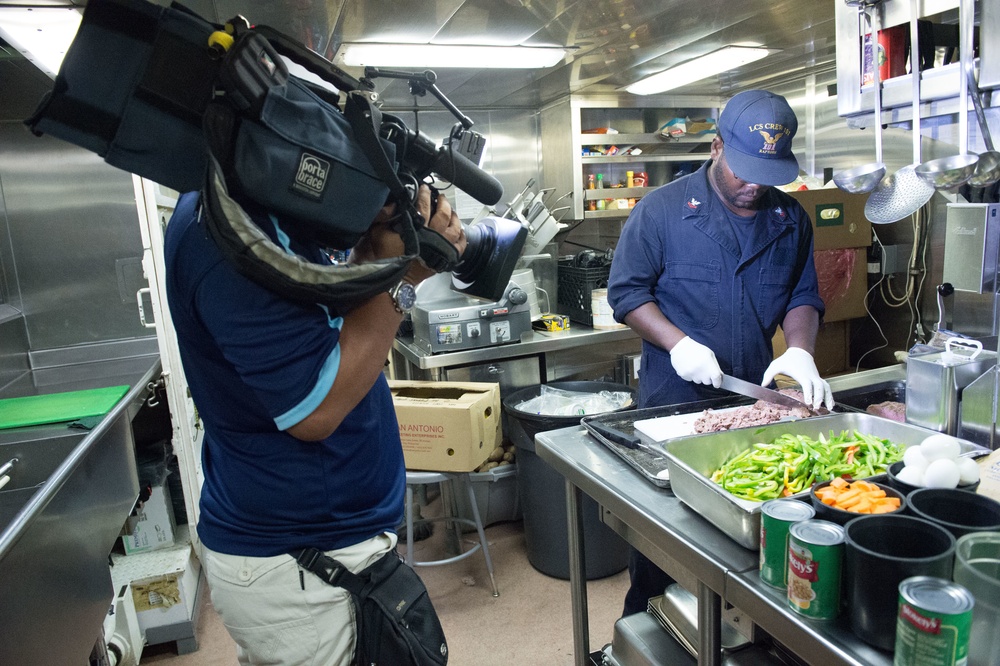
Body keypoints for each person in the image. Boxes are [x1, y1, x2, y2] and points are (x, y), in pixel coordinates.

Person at [164, 183, 465, 664]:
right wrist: (403, 276)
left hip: (310, 551)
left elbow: (316, 324)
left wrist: (368, 260)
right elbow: (314, 408)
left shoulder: (256, 214)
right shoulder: (229, 235)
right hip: (304, 564)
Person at [607, 89, 834, 616]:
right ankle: (640, 626)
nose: (755, 182)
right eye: (744, 168)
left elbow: (802, 296)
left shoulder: (791, 220)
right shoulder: (661, 212)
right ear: (715, 148)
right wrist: (677, 341)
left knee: (738, 547)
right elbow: (626, 293)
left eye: (767, 171)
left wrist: (799, 352)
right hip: (671, 405)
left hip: (747, 407)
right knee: (663, 550)